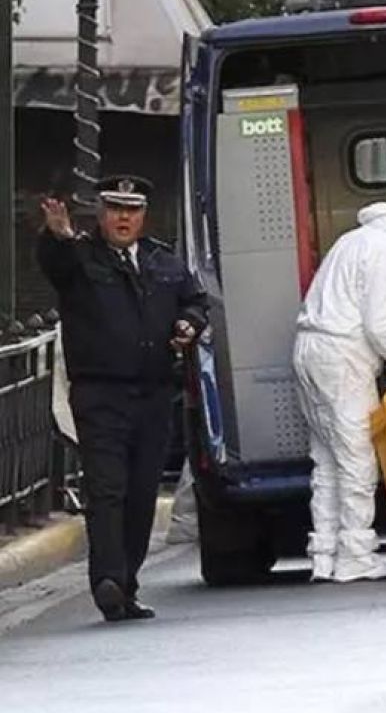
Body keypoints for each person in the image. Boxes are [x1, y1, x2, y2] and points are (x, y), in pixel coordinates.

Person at [37, 176, 208, 622]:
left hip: (153, 395)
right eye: (115, 209)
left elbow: (196, 301)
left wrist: (188, 323)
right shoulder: (80, 257)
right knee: (107, 489)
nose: (123, 218)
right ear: (101, 213)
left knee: (140, 493)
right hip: (101, 394)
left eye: (131, 210)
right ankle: (107, 581)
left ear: (143, 215)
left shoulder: (162, 260)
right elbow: (55, 264)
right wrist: (56, 235)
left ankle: (126, 585)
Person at [293, 189, 386, 583]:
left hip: (309, 350)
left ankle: (325, 556)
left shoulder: (352, 239)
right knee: (359, 457)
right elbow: (380, 326)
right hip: (342, 357)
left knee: (327, 459)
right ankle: (357, 556)